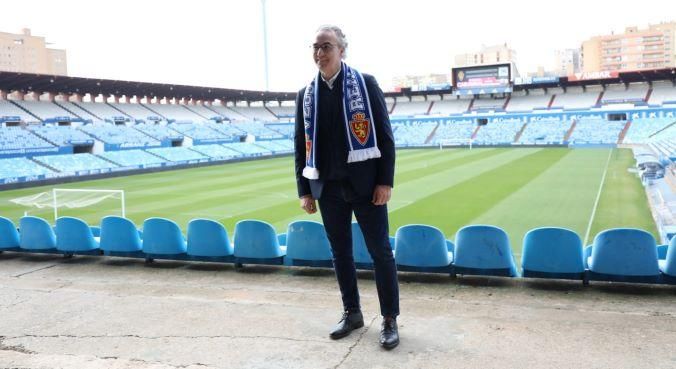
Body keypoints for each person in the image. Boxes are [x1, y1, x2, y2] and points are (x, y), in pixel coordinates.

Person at [294, 25, 399, 349]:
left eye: (326, 46)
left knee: (380, 252)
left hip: (367, 187)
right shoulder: (306, 94)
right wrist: (304, 189)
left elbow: (385, 136)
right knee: (341, 254)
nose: (320, 53)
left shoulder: (365, 85)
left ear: (342, 50)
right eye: (316, 47)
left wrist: (384, 181)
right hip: (328, 189)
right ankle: (352, 313)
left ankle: (389, 319)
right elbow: (301, 144)